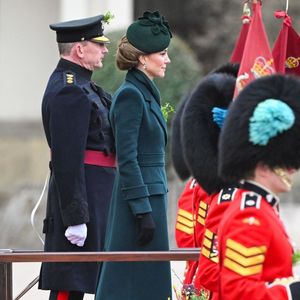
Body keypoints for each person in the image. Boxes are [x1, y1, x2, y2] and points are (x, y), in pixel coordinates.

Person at [95, 10, 172, 300]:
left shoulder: (145, 93)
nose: (167, 60)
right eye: (162, 53)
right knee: (128, 283)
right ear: (142, 58)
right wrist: (141, 211)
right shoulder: (131, 95)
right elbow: (127, 159)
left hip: (149, 199)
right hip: (137, 204)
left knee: (146, 283)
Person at [38, 14, 116, 300]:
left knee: (85, 280)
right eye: (100, 44)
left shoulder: (82, 84)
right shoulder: (69, 88)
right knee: (71, 284)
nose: (105, 50)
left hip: (97, 194)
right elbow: (67, 160)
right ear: (80, 49)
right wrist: (75, 217)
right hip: (84, 200)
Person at [217, 74, 300, 299]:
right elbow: (238, 292)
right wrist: (290, 292)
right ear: (262, 167)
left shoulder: (262, 208)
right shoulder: (249, 214)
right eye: (284, 163)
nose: (292, 169)